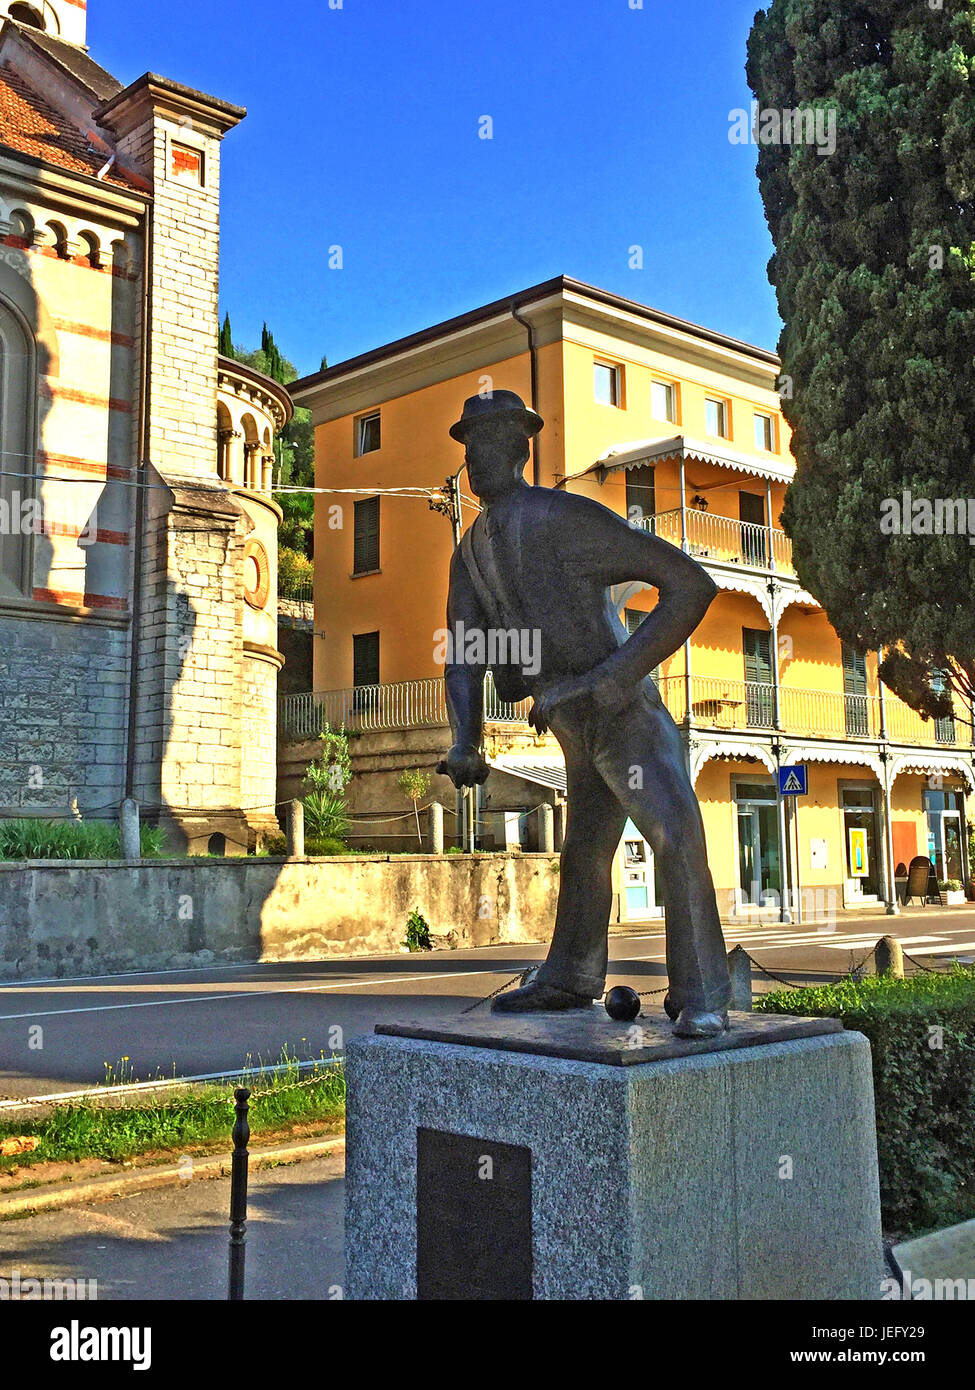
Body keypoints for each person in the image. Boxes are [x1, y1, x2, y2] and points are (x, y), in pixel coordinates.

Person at [437, 390, 731, 1037]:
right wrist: (465, 738)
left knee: (674, 836)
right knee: (585, 851)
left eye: (486, 443)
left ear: (518, 448)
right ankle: (571, 975)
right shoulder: (471, 552)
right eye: (467, 447)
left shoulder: (561, 519)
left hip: (624, 713)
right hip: (571, 724)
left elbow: (689, 585)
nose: (474, 460)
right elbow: (464, 654)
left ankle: (703, 992)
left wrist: (606, 680)